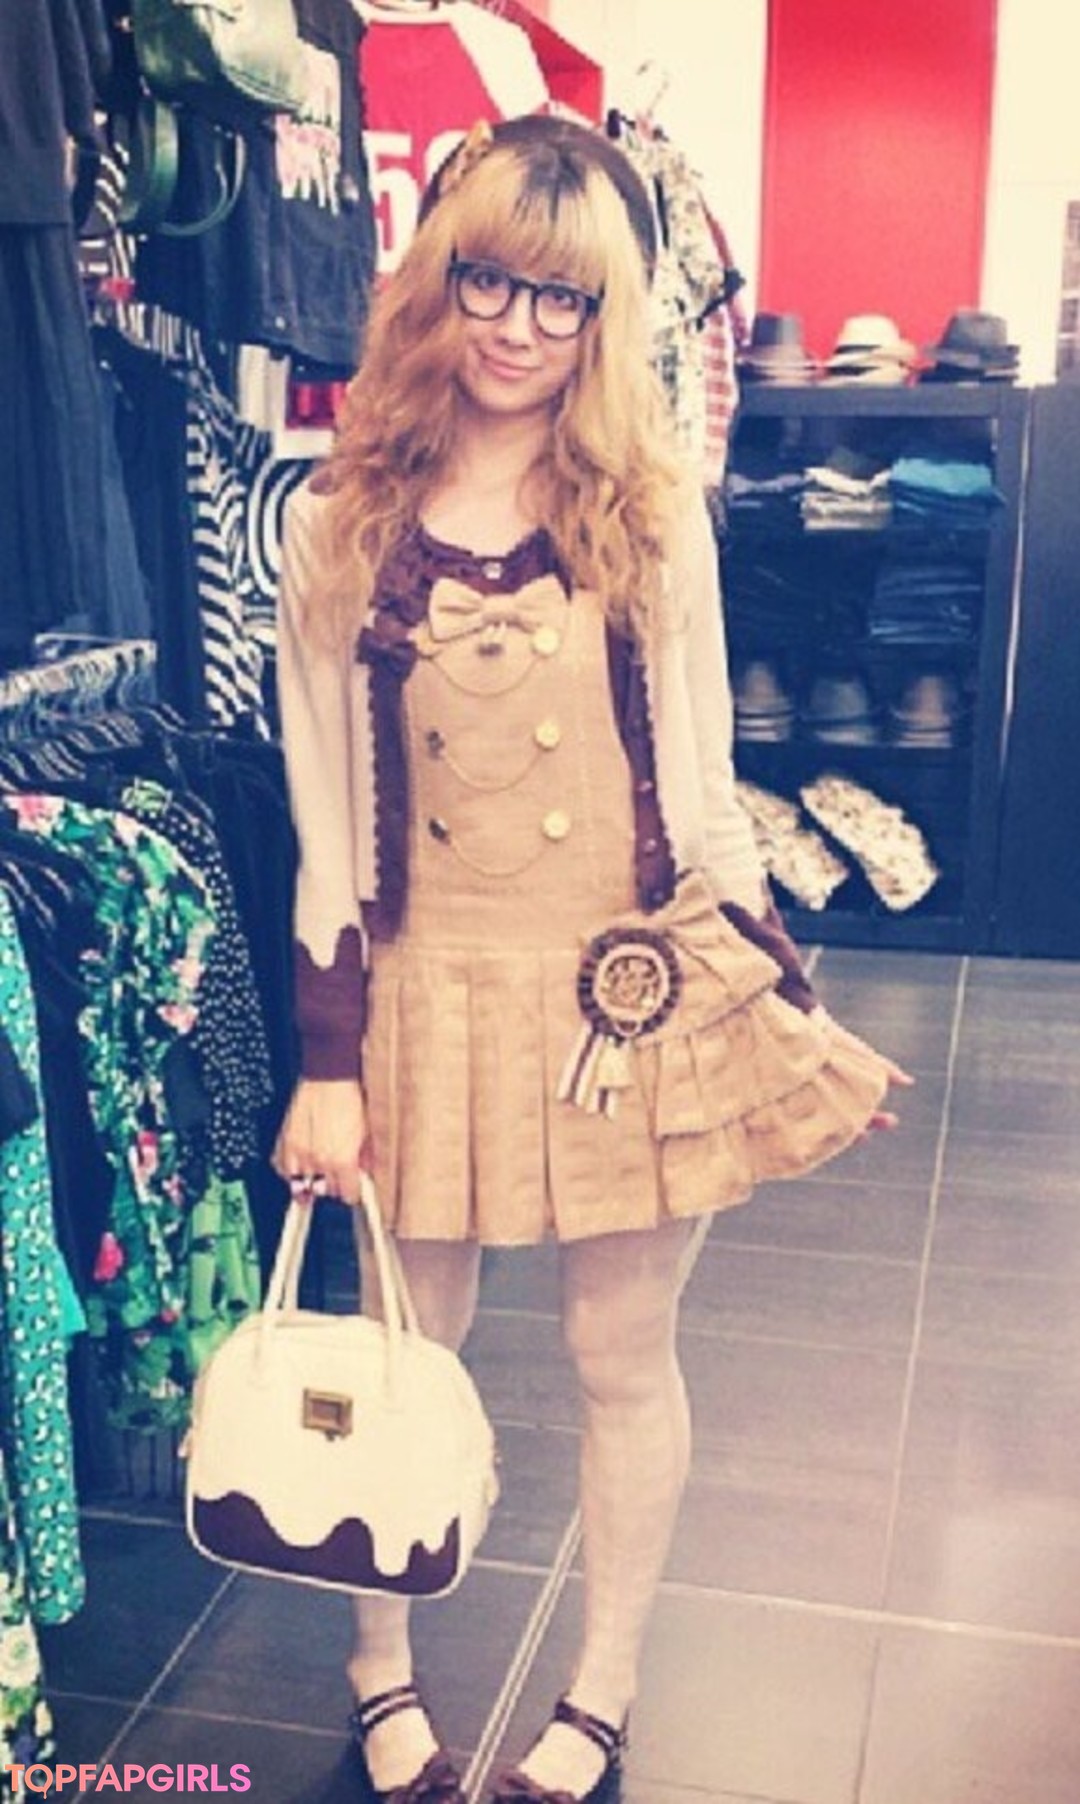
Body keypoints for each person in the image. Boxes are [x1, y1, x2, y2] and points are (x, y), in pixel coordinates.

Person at [272, 114, 910, 1804]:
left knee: (621, 1358)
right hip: (420, 996)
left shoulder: (653, 512)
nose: (518, 327)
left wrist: (780, 1011)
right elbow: (325, 825)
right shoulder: (337, 520)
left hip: (619, 1003)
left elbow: (703, 795)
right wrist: (326, 1063)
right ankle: (379, 1667)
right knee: (403, 1356)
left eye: (562, 298)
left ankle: (603, 1689)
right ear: (439, 277)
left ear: (605, 316)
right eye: (490, 279)